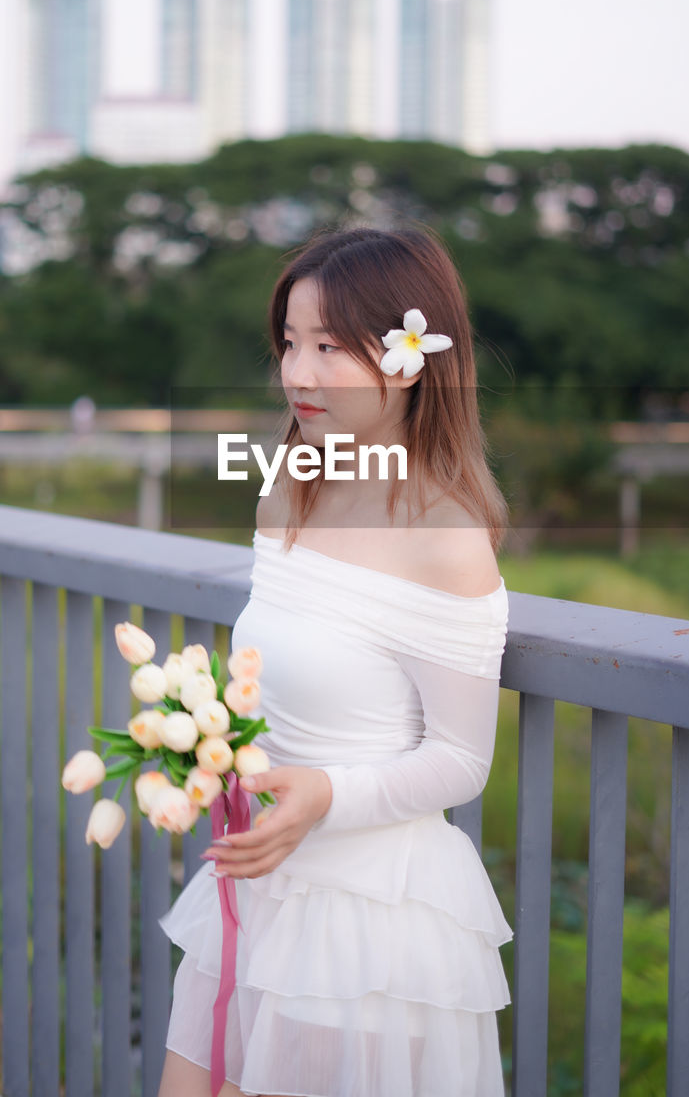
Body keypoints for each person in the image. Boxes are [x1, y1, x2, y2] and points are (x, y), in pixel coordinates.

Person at [158, 224, 512, 1097]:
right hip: (256, 887)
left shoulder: (446, 534)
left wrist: (325, 793)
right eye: (289, 342)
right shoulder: (290, 482)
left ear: (409, 357)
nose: (298, 372)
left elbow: (462, 761)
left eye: (328, 346)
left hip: (365, 923)